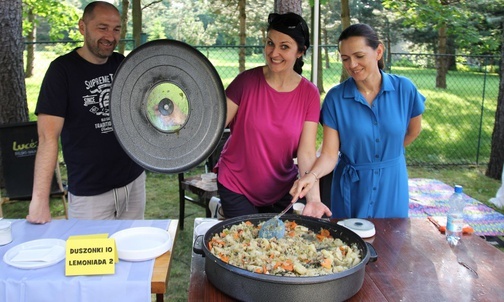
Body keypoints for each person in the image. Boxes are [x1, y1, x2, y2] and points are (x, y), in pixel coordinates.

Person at [27, 1, 146, 223]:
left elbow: (144, 113)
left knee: (133, 253)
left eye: (116, 29)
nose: (110, 36)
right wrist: (40, 200)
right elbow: (47, 138)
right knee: (94, 257)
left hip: (133, 182)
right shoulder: (61, 71)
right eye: (102, 27)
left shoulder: (122, 64)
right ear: (83, 27)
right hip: (90, 193)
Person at [290, 23, 425, 218]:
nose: (352, 64)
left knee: (393, 242)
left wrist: (388, 154)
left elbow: (413, 131)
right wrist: (312, 176)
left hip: (392, 184)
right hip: (351, 187)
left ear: (378, 51)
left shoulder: (405, 89)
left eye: (359, 56)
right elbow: (329, 154)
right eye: (345, 58)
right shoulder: (336, 98)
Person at [216, 12, 332, 219]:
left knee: (275, 247)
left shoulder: (309, 94)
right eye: (270, 43)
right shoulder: (245, 82)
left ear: (300, 52)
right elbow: (213, 125)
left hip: (282, 190)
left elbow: (306, 153)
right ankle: (221, 208)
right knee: (244, 245)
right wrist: (179, 121)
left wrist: (313, 199)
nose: (274, 52)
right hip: (236, 183)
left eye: (284, 46)